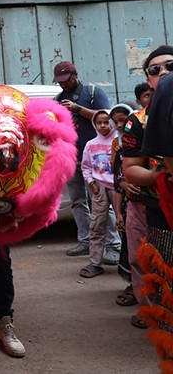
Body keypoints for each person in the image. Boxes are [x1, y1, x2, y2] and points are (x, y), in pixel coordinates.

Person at [122, 45, 173, 329]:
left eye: (170, 66)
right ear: (149, 80)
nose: (163, 72)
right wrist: (163, 177)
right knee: (163, 274)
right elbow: (131, 171)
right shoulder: (137, 121)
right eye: (155, 70)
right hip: (161, 210)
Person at [53, 61, 120, 261]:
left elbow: (106, 119)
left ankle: (113, 245)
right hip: (71, 158)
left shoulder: (93, 93)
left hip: (96, 159)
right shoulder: (59, 98)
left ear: (75, 75)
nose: (63, 85)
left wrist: (77, 108)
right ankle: (85, 240)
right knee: (77, 202)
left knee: (101, 201)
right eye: (60, 82)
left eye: (66, 80)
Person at [79, 109, 117, 278]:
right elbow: (86, 166)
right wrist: (91, 182)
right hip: (99, 189)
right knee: (96, 225)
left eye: (106, 122)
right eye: (99, 123)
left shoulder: (119, 141)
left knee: (125, 224)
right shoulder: (91, 144)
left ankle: (128, 263)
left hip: (118, 188)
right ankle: (95, 263)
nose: (103, 125)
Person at [109, 103, 138, 304]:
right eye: (116, 122)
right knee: (131, 247)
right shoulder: (119, 149)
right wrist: (118, 213)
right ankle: (135, 287)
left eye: (123, 120)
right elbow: (118, 183)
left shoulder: (144, 144)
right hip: (130, 207)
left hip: (149, 204)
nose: (120, 125)